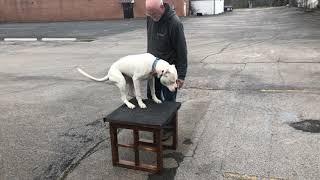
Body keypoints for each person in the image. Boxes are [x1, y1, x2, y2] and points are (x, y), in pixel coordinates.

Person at [146, 0, 188, 102]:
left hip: (168, 71)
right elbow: (151, 41)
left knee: (169, 102)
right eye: (149, 14)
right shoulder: (150, 17)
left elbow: (182, 51)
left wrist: (181, 76)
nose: (152, 17)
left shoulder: (174, 23)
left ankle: (172, 118)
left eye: (154, 14)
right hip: (152, 69)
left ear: (162, 6)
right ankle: (155, 118)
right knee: (152, 98)